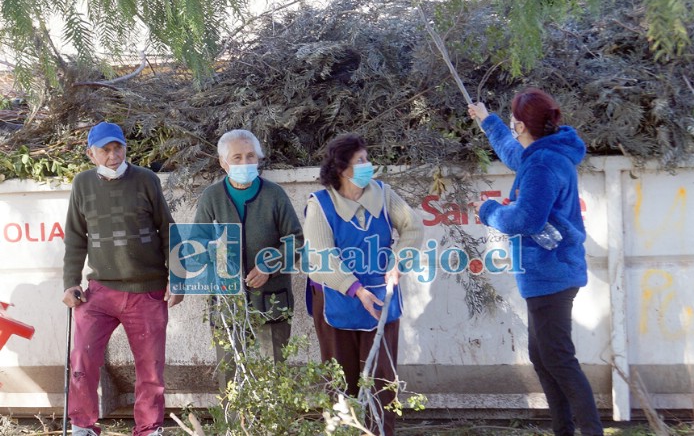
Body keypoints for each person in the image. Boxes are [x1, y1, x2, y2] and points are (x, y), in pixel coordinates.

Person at [468, 88, 603, 436]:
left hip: (551, 275)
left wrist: (489, 210)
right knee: (544, 358)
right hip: (550, 273)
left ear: (523, 125)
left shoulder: (542, 165)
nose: (512, 129)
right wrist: (488, 122)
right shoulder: (545, 154)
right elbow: (515, 154)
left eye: (513, 123)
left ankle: (588, 430)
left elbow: (525, 219)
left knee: (558, 359)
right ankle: (564, 430)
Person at [62, 122, 183, 436]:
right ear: (91, 154)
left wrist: (178, 278)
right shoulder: (82, 184)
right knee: (82, 359)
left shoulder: (146, 179)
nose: (113, 155)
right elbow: (75, 237)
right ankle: (82, 425)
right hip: (100, 291)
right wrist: (70, 282)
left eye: (118, 148)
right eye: (105, 150)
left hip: (147, 290)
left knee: (150, 367)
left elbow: (168, 230)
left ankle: (148, 428)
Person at [303, 134, 423, 436]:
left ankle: (380, 432)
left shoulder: (383, 194)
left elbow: (413, 226)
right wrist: (356, 289)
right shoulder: (320, 204)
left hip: (381, 298)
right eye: (361, 161)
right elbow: (321, 258)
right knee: (341, 381)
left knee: (382, 381)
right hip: (337, 298)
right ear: (342, 168)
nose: (369, 165)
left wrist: (398, 262)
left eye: (367, 159)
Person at [193, 129, 304, 388]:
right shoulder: (212, 196)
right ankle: (235, 428)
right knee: (231, 377)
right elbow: (196, 244)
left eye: (250, 156)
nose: (245, 163)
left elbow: (296, 241)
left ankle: (272, 427)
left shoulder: (274, 194)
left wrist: (269, 266)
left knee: (274, 375)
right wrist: (215, 254)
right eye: (237, 157)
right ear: (223, 163)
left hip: (272, 300)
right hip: (227, 302)